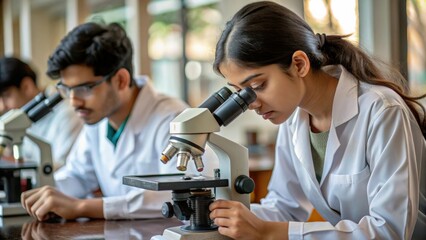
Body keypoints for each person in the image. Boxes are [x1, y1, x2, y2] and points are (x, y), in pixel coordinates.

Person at [209, 1, 426, 239]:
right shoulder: (293, 120)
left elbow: (389, 230)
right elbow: (284, 207)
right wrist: (221, 219)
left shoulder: (382, 111)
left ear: (299, 64)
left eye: (258, 86)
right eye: (240, 92)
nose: (251, 103)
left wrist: (268, 232)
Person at [20, 22, 191, 221]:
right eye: (67, 89)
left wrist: (82, 206)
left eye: (85, 88)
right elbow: (78, 175)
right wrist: (44, 194)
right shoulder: (98, 119)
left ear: (120, 80)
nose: (74, 101)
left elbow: (182, 195)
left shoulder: (174, 119)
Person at [0, 57, 83, 168]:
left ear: (26, 86)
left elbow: (64, 169)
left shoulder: (67, 114)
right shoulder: (18, 116)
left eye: (6, 96)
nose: (2, 106)